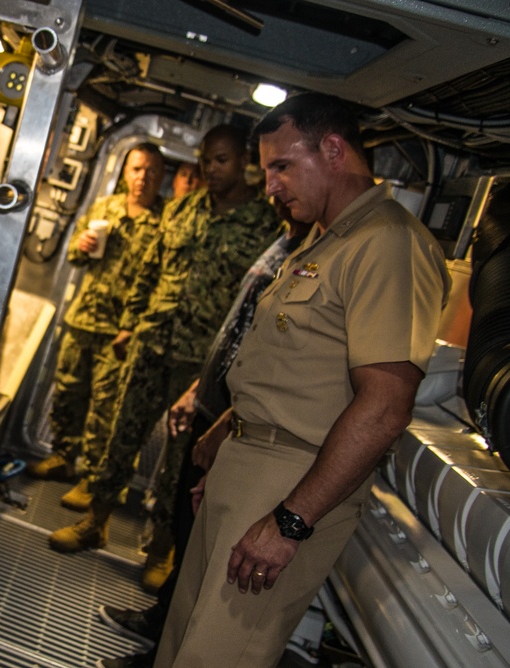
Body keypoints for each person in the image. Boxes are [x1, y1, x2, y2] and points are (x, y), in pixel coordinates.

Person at [151, 93, 450, 667]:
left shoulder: (388, 244)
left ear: (334, 150)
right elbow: (296, 368)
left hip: (291, 483)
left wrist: (291, 520)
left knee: (216, 656)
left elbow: (386, 404)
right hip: (247, 467)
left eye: (282, 166)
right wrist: (226, 434)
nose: (270, 187)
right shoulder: (321, 240)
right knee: (181, 643)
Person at [48, 125, 281, 562]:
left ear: (246, 163)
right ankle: (96, 522)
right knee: (122, 434)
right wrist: (129, 325)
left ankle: (160, 549)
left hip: (202, 364)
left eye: (222, 160)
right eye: (206, 159)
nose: (211, 169)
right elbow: (148, 273)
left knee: (180, 460)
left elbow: (259, 304)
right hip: (152, 344)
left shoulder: (265, 225)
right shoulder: (182, 211)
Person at [94, 199, 312, 667]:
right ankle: (160, 634)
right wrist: (201, 391)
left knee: (204, 548)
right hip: (219, 408)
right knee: (190, 531)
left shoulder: (313, 255)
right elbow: (239, 333)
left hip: (241, 419)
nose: (273, 188)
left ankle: (164, 654)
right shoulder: (285, 243)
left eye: (284, 170)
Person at [28, 143, 165, 513]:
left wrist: (133, 326)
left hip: (121, 331)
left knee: (106, 408)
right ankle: (64, 455)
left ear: (161, 176)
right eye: (137, 169)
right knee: (69, 392)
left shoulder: (164, 221)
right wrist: (83, 245)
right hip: (84, 317)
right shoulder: (105, 208)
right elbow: (73, 253)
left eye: (152, 171)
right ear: (125, 172)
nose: (143, 178)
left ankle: (92, 476)